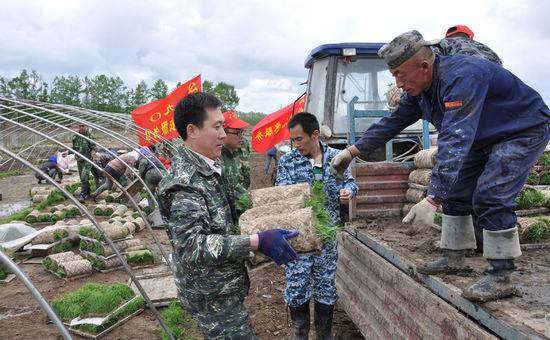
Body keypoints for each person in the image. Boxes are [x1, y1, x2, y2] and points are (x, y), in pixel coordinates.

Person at [330, 30, 549, 302]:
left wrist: (432, 199)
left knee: (491, 193)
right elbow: (392, 122)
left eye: (401, 74)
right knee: (456, 190)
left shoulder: (461, 77)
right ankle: (454, 257)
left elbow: (455, 139)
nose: (398, 83)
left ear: (424, 66)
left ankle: (501, 275)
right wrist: (352, 151)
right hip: (484, 134)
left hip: (520, 129)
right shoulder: (422, 89)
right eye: (394, 76)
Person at [157, 92, 300, 339]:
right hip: (212, 295)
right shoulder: (185, 183)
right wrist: (257, 241)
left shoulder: (207, 169)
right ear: (192, 130)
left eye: (223, 126)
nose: (224, 134)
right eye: (217, 126)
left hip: (222, 288)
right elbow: (192, 246)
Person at [276, 112, 358, 339]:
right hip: (299, 241)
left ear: (314, 135)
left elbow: (351, 183)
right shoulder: (288, 162)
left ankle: (324, 335)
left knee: (325, 288)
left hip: (327, 238)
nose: (295, 144)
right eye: (292, 140)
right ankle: (300, 333)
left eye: (299, 139)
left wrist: (347, 192)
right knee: (297, 288)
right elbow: (282, 197)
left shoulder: (337, 158)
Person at [220, 111, 251, 205]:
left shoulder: (244, 146)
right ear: (223, 132)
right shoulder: (215, 155)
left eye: (242, 132)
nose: (241, 137)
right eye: (237, 133)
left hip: (243, 201)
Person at [431, 24, 502, 65]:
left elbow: (431, 61)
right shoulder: (488, 49)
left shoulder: (443, 42)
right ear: (470, 36)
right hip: (502, 78)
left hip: (465, 74)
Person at [72, 123, 97, 202]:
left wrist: (93, 152)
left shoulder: (89, 136)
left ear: (86, 127)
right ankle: (88, 192)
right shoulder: (75, 136)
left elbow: (94, 147)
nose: (81, 128)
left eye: (83, 126)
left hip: (87, 160)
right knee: (82, 179)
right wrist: (68, 152)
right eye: (80, 126)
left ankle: (83, 194)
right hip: (79, 160)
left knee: (84, 176)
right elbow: (74, 148)